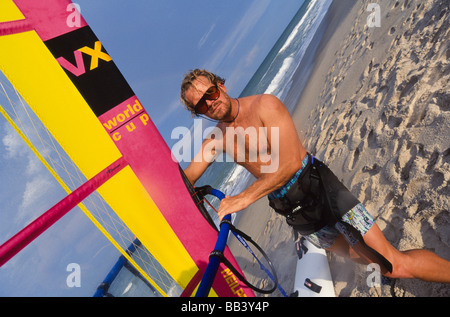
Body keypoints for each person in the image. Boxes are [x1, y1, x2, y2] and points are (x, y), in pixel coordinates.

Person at [179, 68, 450, 283]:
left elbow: (288, 164)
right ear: (198, 113)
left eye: (211, 93)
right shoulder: (217, 139)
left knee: (391, 264)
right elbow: (183, 179)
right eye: (201, 105)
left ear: (221, 86)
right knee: (360, 256)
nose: (210, 104)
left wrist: (242, 199)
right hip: (293, 212)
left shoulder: (265, 106)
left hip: (320, 188)